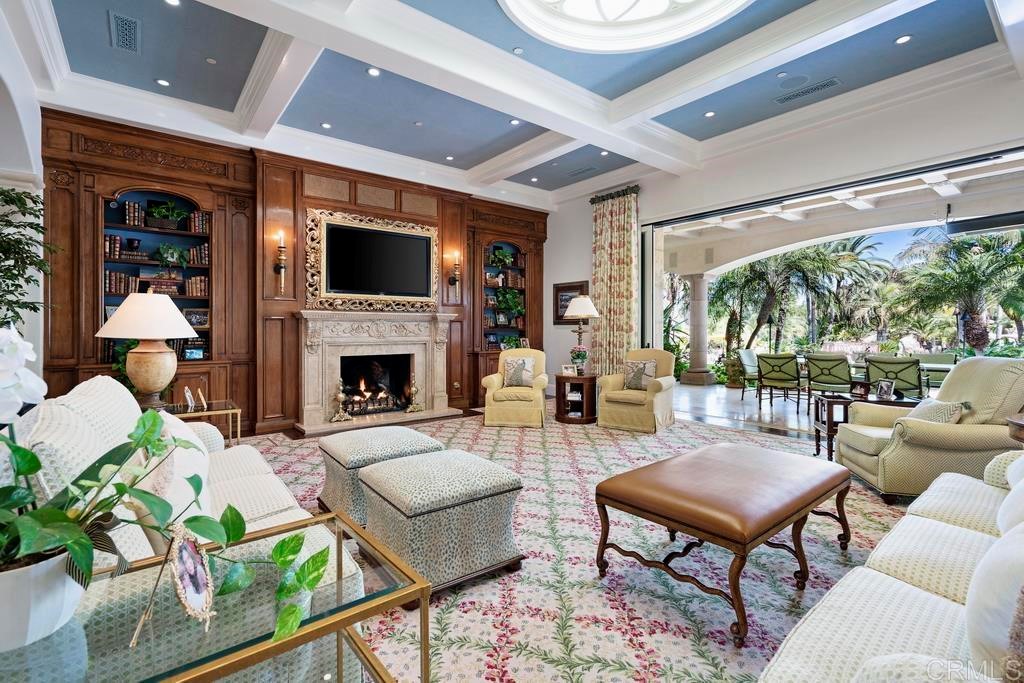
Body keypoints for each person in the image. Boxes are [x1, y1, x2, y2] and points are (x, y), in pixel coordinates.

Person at [177, 539, 207, 612]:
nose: (189, 565)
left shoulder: (199, 571)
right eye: (185, 563)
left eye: (188, 559)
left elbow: (204, 598)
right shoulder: (186, 580)